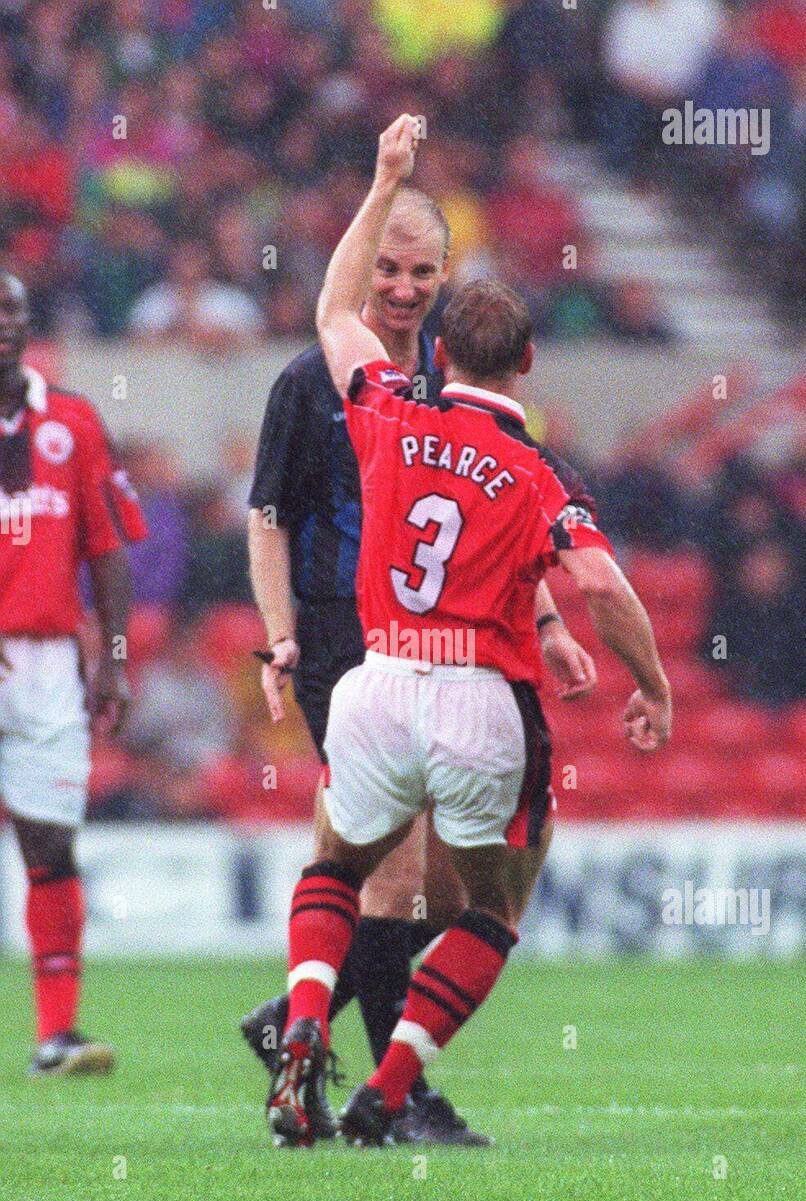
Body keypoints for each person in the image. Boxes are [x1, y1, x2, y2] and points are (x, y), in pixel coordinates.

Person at [265, 115, 672, 1148]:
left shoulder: (386, 410)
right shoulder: (538, 474)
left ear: (438, 347)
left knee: (334, 871)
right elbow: (603, 581)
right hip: (476, 700)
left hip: (374, 680)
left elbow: (327, 310)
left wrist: (382, 177)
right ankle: (390, 1089)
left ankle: (301, 1017)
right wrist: (652, 684)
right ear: (529, 362)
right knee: (483, 911)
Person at [0, 271, 147, 1074]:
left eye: (15, 310)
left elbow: (107, 546)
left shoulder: (74, 422)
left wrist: (115, 659)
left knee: (50, 844)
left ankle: (56, 1033)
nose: (4, 323)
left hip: (50, 665)